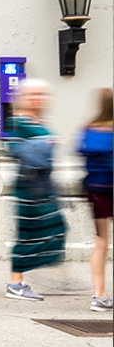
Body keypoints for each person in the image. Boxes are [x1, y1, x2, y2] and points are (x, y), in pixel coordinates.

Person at [3, 78, 66, 302]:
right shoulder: (19, 121)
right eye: (33, 95)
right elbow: (17, 150)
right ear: (25, 98)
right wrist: (47, 143)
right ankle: (15, 283)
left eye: (41, 94)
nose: (38, 98)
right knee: (27, 236)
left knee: (57, 228)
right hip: (29, 189)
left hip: (43, 188)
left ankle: (60, 277)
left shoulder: (37, 121)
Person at [75, 88, 112, 312]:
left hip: (97, 190)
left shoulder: (88, 129)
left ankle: (100, 294)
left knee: (101, 243)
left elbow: (79, 151)